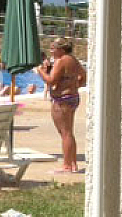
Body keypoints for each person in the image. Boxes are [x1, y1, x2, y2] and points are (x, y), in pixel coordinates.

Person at [36, 38, 87, 173]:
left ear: (61, 49)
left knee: (65, 133)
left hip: (61, 100)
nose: (51, 51)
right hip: (73, 98)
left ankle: (67, 166)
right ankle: (73, 163)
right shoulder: (73, 60)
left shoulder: (61, 61)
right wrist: (74, 86)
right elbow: (83, 75)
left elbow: (51, 81)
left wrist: (40, 71)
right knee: (69, 132)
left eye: (53, 48)